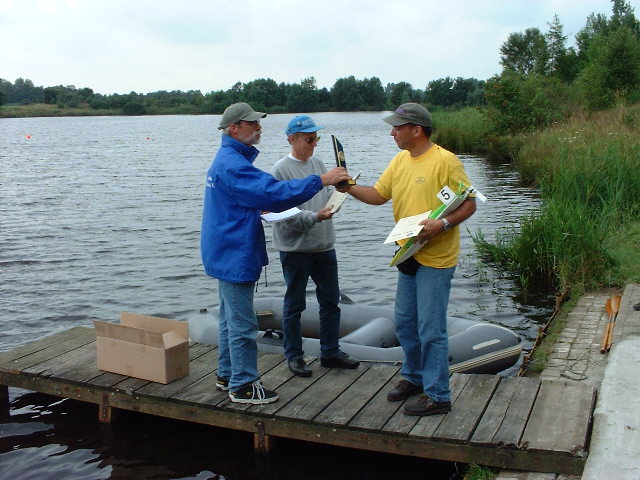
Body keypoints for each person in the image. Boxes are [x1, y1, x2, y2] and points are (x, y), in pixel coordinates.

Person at [200, 103, 352, 405]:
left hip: (224, 249)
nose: (259, 128)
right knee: (243, 323)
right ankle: (243, 385)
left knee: (230, 319)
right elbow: (273, 194)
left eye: (258, 123)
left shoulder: (228, 159)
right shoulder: (234, 165)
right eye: (252, 123)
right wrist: (320, 180)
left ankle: (226, 374)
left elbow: (263, 195)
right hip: (234, 252)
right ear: (234, 128)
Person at [345, 103, 476, 416]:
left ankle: (438, 395)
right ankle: (414, 377)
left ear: (417, 130)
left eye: (397, 127)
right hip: (408, 254)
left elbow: (469, 203)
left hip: (437, 258)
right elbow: (378, 196)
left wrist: (442, 224)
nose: (392, 133)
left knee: (431, 329)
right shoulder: (400, 160)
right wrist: (348, 186)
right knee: (405, 323)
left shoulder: (445, 161)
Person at [270, 115, 360, 377]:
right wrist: (315, 217)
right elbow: (282, 214)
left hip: (324, 246)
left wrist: (341, 191)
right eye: (309, 139)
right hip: (295, 250)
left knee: (331, 302)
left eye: (316, 138)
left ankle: (330, 352)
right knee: (294, 305)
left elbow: (325, 197)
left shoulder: (318, 164)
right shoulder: (280, 170)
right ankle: (294, 356)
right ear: (292, 139)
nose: (314, 143)